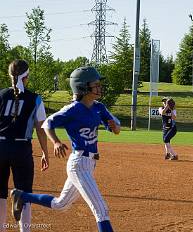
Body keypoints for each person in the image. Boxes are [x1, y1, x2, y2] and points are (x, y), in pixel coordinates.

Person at [10, 66, 120, 232]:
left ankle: (21, 196)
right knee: (101, 210)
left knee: (60, 204)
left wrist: (115, 127)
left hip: (90, 164)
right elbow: (47, 123)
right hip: (79, 164)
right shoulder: (72, 110)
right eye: (95, 84)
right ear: (83, 87)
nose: (99, 87)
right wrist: (55, 142)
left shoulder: (99, 107)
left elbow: (116, 128)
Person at [0, 59, 49, 232]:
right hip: (21, 149)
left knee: (0, 195)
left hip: (0, 147)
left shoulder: (0, 95)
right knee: (24, 193)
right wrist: (45, 153)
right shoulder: (34, 99)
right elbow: (41, 129)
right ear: (26, 76)